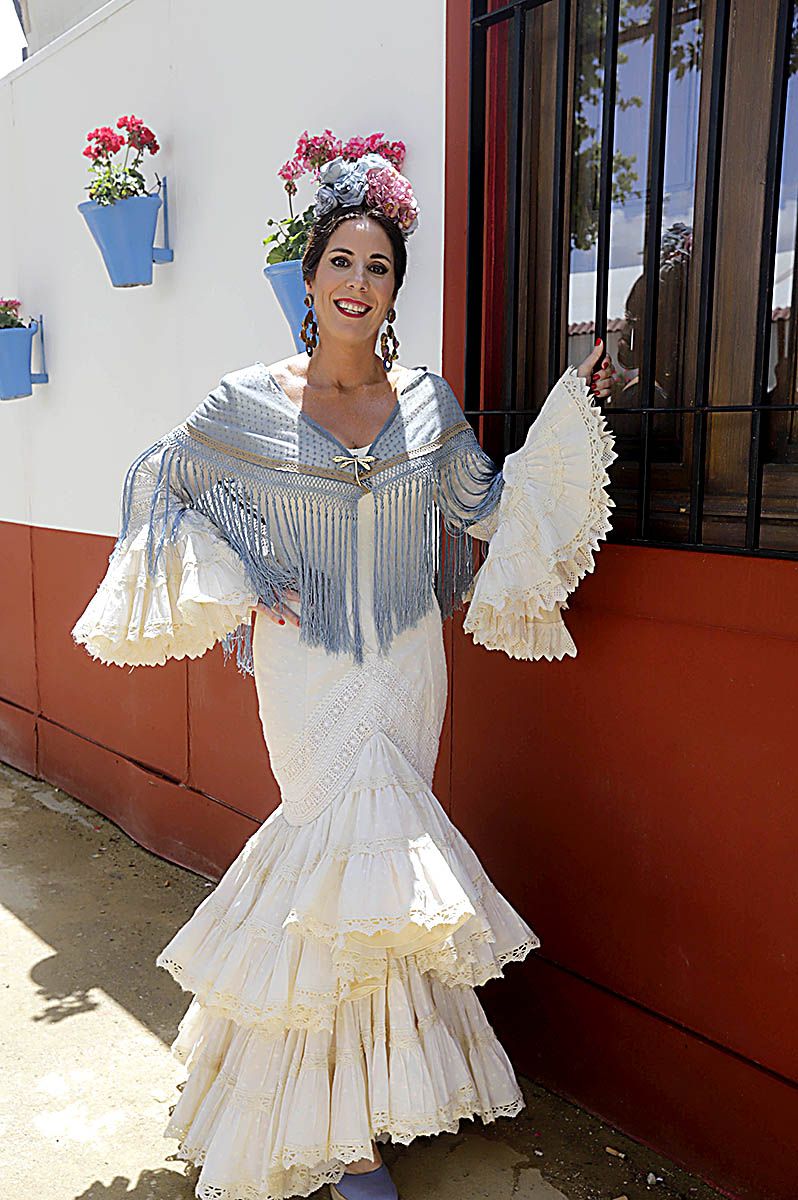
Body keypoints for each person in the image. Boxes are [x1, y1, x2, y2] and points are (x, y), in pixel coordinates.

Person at [71, 153, 616, 1200]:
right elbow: (162, 481)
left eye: (377, 264)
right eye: (338, 260)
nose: (356, 280)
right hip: (309, 673)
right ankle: (339, 1138)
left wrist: (565, 423)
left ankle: (361, 1101)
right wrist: (240, 580)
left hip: (410, 666)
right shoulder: (248, 402)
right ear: (309, 278)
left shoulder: (427, 401)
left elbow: (485, 511)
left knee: (385, 886)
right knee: (326, 861)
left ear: (394, 290)